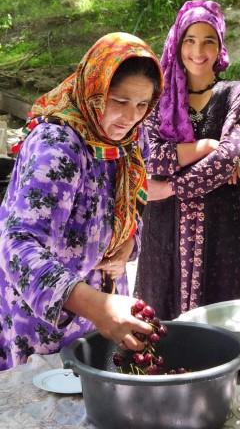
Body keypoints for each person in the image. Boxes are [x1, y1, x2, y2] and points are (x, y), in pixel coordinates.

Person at [0, 32, 163, 370]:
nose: (131, 116)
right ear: (94, 89)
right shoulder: (57, 146)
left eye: (142, 105)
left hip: (100, 299)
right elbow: (16, 245)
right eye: (119, 101)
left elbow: (133, 203)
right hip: (41, 317)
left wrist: (129, 239)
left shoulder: (131, 139)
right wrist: (97, 307)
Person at [134, 0, 240, 320]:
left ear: (220, 47)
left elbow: (228, 157)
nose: (198, 50)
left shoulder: (237, 93)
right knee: (160, 322)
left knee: (226, 319)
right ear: (177, 44)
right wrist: (204, 147)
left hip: (220, 225)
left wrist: (169, 187)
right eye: (189, 40)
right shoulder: (157, 100)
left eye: (208, 41)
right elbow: (151, 159)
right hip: (165, 228)